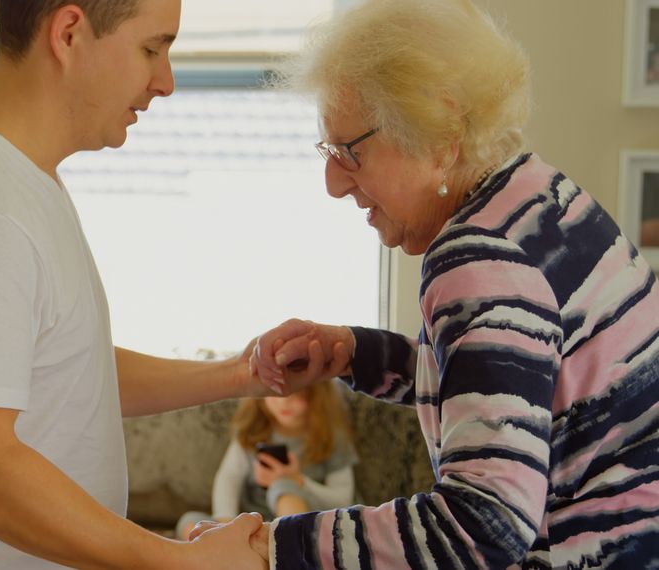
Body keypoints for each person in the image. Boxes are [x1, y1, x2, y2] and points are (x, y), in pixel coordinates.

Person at [193, 0, 659, 567]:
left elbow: (482, 524)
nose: (333, 184)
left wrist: (269, 548)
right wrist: (354, 353)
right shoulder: (540, 200)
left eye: (350, 152)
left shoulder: (479, 257)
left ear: (440, 135)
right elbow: (512, 383)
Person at [0, 1, 271, 568]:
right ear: (70, 33)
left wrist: (240, 375)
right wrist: (178, 561)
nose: (165, 83)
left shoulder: (21, 186)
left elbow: (68, 369)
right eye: (152, 48)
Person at [177, 382, 358, 540]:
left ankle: (289, 551)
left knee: (282, 486)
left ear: (317, 396)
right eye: (275, 393)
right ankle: (242, 553)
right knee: (191, 523)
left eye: (297, 394)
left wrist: (298, 481)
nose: (284, 401)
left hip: (305, 529)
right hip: (253, 528)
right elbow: (228, 478)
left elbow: (343, 499)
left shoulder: (333, 441)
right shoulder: (250, 435)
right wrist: (225, 523)